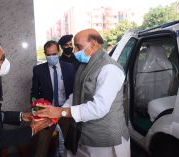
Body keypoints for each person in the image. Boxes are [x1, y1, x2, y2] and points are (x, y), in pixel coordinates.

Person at [34, 29, 130, 157]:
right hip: (84, 134)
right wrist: (58, 110)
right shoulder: (84, 65)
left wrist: (62, 112)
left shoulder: (109, 69)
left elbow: (99, 107)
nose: (74, 51)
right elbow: (77, 94)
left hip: (105, 139)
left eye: (78, 47)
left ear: (94, 44)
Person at [30, 40, 75, 157]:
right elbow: (34, 92)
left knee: (66, 142)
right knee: (42, 142)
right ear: (45, 54)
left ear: (59, 52)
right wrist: (35, 109)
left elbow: (74, 90)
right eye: (48, 55)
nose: (51, 57)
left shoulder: (70, 68)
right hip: (47, 111)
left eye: (54, 54)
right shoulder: (38, 70)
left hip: (65, 110)